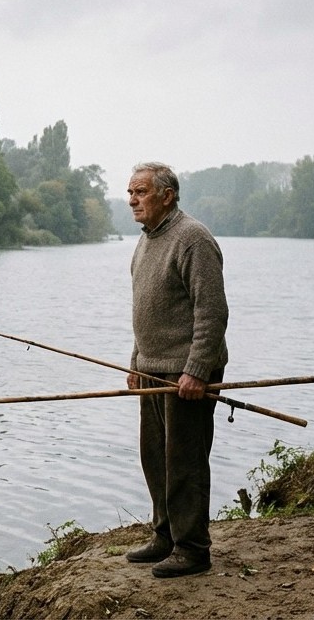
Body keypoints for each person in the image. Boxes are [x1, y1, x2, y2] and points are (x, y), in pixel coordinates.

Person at [123, 161, 229, 579]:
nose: (133, 200)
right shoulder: (146, 241)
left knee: (184, 461)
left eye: (141, 192)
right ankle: (165, 536)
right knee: (155, 459)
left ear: (167, 195)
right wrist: (136, 362)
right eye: (130, 192)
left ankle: (192, 549)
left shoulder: (192, 239)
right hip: (152, 371)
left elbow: (212, 311)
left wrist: (198, 369)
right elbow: (146, 312)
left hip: (186, 376)